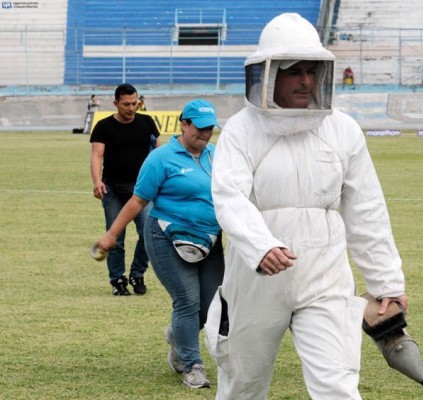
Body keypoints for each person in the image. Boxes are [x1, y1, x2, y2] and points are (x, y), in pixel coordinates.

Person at [205, 13, 407, 400]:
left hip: (325, 278)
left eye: (311, 70)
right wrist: (260, 245)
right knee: (242, 386)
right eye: (293, 71)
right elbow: (228, 196)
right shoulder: (241, 129)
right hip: (254, 280)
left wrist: (387, 283)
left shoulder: (342, 130)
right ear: (268, 74)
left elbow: (366, 210)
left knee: (337, 385)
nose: (305, 80)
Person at [94, 99, 224, 389]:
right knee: (187, 301)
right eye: (200, 128)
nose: (205, 135)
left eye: (210, 129)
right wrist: (112, 234)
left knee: (211, 304)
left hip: (210, 240)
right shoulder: (161, 158)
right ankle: (192, 365)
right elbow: (138, 201)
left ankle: (178, 334)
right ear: (184, 124)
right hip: (166, 237)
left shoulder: (218, 155)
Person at [90, 83, 161, 296]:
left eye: (135, 103)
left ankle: (137, 274)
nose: (131, 108)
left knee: (147, 234)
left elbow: (159, 152)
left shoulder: (147, 122)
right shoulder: (103, 126)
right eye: (126, 104)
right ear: (116, 104)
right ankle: (117, 280)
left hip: (142, 191)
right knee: (116, 237)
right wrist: (96, 181)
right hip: (112, 189)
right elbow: (96, 155)